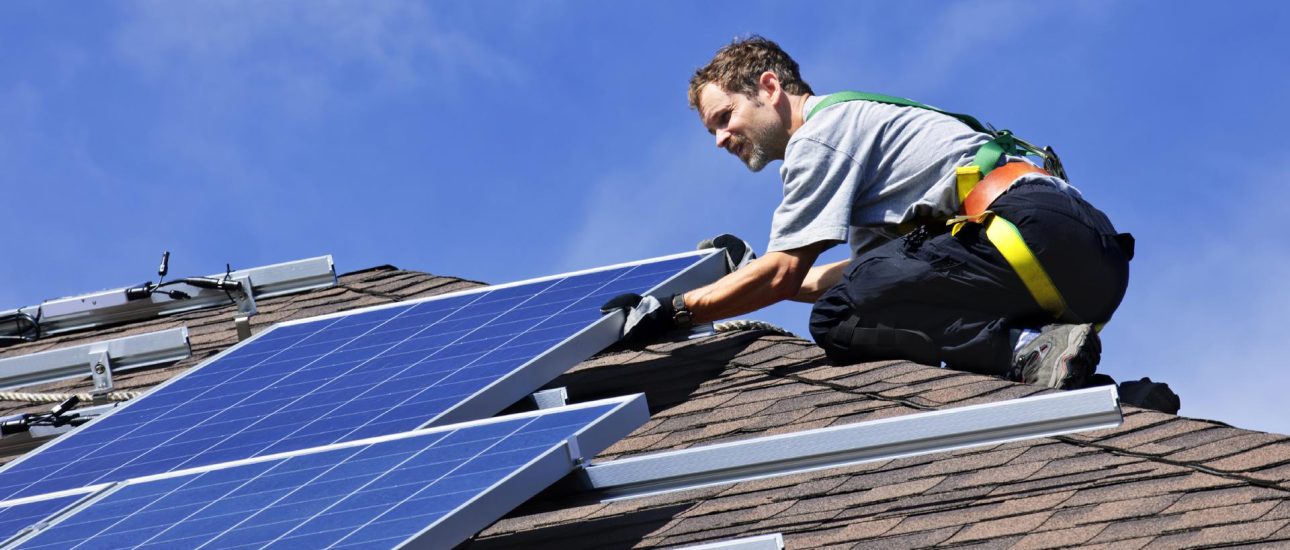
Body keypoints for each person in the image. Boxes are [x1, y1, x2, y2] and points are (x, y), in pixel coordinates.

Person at [602, 36, 1132, 389]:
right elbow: (854, 277)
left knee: (838, 319)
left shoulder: (820, 137)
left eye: (725, 117)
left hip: (1026, 237)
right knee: (861, 295)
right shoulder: (862, 131)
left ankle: (1025, 350)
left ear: (769, 87)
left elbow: (788, 275)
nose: (720, 139)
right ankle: (1094, 387)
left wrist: (675, 310)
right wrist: (748, 276)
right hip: (1087, 261)